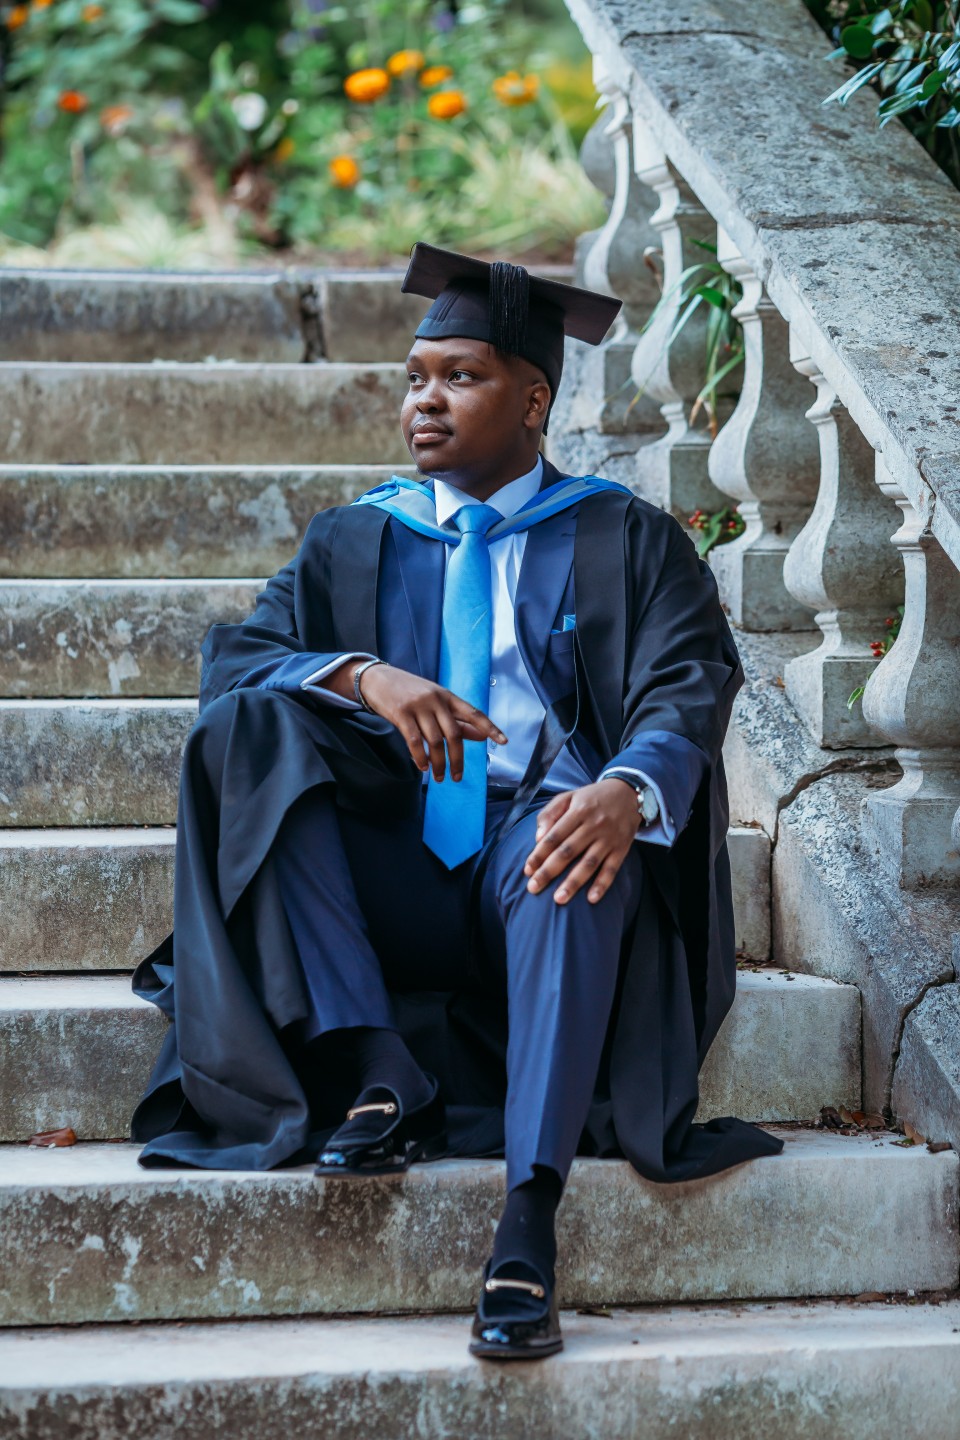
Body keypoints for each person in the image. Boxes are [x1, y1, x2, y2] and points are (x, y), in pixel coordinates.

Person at [131, 243, 782, 1361]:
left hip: (531, 854)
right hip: (387, 875)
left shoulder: (625, 538)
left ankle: (529, 1218)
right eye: (415, 375)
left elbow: (688, 684)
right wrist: (360, 674)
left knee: (579, 839)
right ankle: (382, 1066)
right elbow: (238, 664)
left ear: (533, 400)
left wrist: (629, 790)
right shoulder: (355, 536)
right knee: (253, 721)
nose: (423, 399)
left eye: (460, 376)